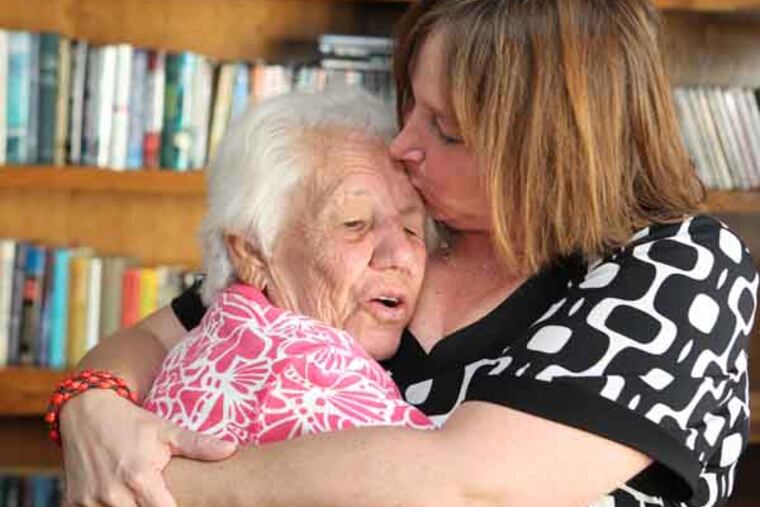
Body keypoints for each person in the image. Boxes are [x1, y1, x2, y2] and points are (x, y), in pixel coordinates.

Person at [58, 1, 757, 506]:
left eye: (445, 128)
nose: (402, 145)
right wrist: (95, 410)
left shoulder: (676, 267)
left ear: (548, 150)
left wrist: (172, 486)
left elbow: (469, 482)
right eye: (411, 107)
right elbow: (158, 335)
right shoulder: (410, 222)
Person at [141, 89, 434, 443]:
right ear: (252, 253)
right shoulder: (316, 382)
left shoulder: (221, 335)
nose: (400, 254)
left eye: (411, 228)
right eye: (354, 223)